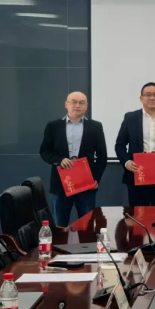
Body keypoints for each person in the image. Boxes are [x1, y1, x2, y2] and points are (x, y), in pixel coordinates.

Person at [39, 92, 107, 227]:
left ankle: (86, 242)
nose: (77, 105)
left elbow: (102, 155)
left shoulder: (95, 126)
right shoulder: (53, 126)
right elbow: (45, 151)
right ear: (66, 104)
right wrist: (59, 160)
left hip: (86, 183)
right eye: (74, 102)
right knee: (59, 224)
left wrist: (95, 178)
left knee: (87, 224)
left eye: (81, 103)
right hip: (61, 182)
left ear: (86, 106)